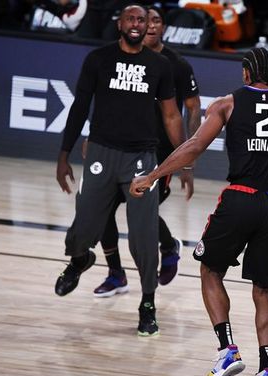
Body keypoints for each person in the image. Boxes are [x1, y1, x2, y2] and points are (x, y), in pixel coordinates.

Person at [129, 48, 268, 376]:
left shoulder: (226, 104)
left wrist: (153, 176)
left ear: (247, 74)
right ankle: (266, 369)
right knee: (264, 290)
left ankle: (228, 350)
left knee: (210, 269)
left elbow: (192, 148)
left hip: (241, 197)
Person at [54, 4, 187, 337]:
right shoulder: (98, 60)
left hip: (142, 158)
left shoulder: (160, 65)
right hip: (101, 152)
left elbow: (172, 116)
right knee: (84, 226)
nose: (137, 24)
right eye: (131, 18)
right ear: (120, 23)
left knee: (143, 235)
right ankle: (80, 259)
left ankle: (147, 304)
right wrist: (64, 153)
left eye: (142, 20)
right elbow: (80, 106)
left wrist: (186, 159)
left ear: (146, 27)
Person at [91, 5, 200, 299]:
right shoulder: (120, 58)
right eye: (145, 20)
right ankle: (116, 273)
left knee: (140, 209)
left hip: (158, 156)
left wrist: (186, 157)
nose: (150, 26)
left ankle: (168, 246)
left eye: (156, 21)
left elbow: (192, 108)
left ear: (163, 26)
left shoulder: (176, 65)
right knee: (100, 212)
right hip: (117, 149)